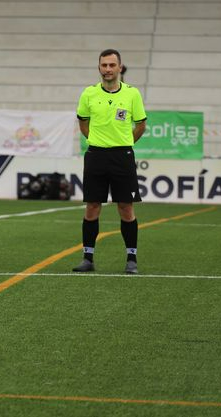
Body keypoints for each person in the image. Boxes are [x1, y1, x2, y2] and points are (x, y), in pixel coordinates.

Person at [73, 49, 147, 275]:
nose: (107, 69)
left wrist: (124, 144)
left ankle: (131, 259)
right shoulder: (89, 94)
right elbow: (83, 122)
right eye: (104, 65)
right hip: (96, 155)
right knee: (92, 207)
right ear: (99, 67)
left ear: (120, 68)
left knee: (125, 207)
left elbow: (141, 125)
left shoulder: (132, 94)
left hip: (122, 156)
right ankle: (88, 258)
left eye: (112, 65)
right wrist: (96, 141)